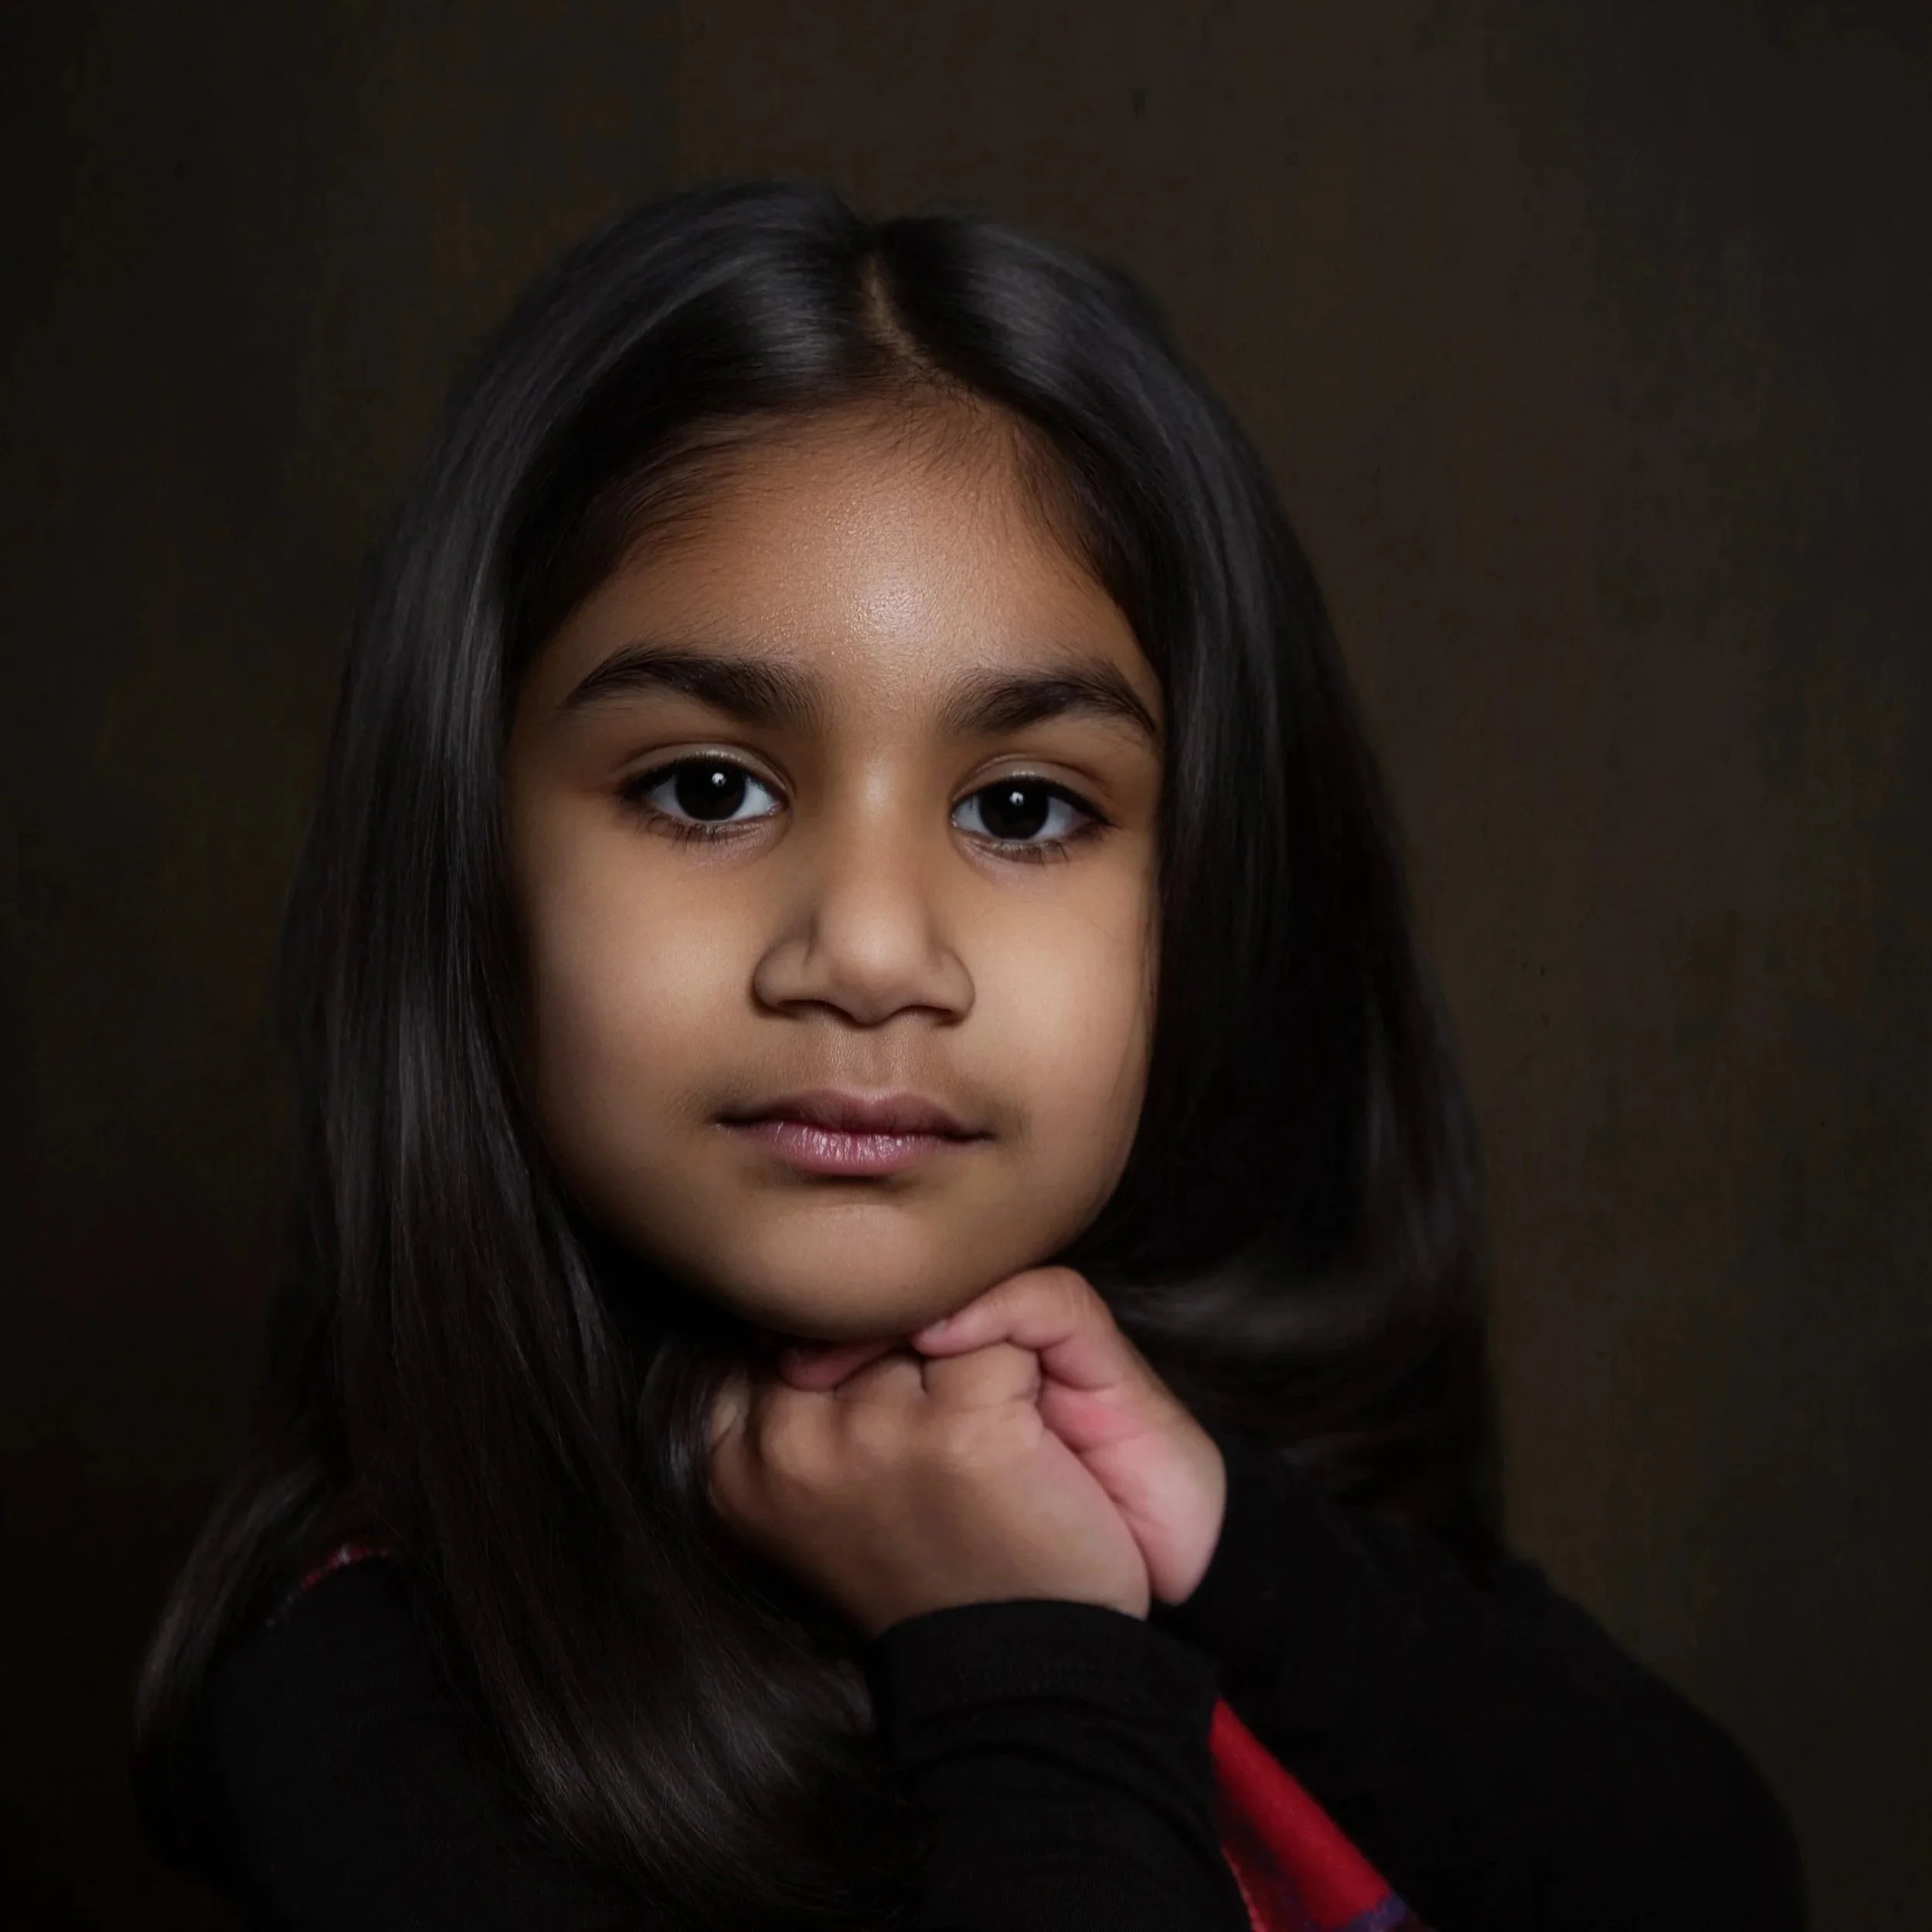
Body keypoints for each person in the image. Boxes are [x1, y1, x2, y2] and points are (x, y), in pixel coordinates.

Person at [131, 180, 1806, 1932]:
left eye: (1021, 808)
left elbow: (1716, 1873)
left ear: (1207, 894)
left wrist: (1229, 1539)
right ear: (465, 861)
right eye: (706, 787)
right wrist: (1022, 1656)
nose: (866, 949)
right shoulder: (375, 1698)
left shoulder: (1210, 1464)